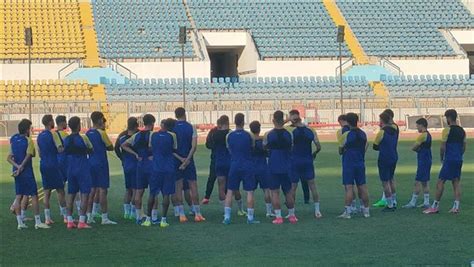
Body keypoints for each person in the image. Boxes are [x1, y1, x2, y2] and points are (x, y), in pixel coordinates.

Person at [7, 119, 50, 230]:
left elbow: (9, 157)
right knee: (34, 195)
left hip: (16, 171)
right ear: (27, 130)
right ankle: (38, 221)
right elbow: (29, 155)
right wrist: (21, 166)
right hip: (27, 171)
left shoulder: (13, 139)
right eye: (30, 128)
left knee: (18, 196)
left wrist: (17, 166)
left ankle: (20, 223)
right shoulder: (28, 140)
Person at [424, 109, 466, 214]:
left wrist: (442, 158)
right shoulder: (462, 131)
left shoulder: (447, 130)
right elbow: (464, 146)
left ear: (448, 118)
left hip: (449, 159)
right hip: (458, 159)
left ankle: (435, 206)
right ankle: (456, 207)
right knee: (456, 182)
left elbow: (443, 147)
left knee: (440, 181)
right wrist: (459, 155)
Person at [223, 113, 260, 225]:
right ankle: (250, 218)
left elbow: (229, 149)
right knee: (249, 192)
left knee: (230, 191)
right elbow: (252, 148)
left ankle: (227, 217)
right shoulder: (249, 135)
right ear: (244, 122)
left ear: (234, 122)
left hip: (234, 165)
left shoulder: (229, 136)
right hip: (247, 165)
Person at [286, 110, 322, 219]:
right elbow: (318, 146)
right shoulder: (311, 130)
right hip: (307, 160)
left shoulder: (290, 131)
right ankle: (317, 211)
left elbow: (289, 145)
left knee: (293, 187)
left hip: (295, 160)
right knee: (312, 186)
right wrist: (314, 153)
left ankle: (292, 213)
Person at [143, 119, 179, 228]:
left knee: (152, 194)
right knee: (166, 194)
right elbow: (174, 148)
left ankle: (148, 219)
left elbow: (150, 148)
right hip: (168, 167)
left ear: (162, 125)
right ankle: (163, 220)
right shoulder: (172, 135)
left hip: (156, 167)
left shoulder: (153, 135)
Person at [171, 107, 205, 222]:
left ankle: (181, 214)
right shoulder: (191, 127)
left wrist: (181, 160)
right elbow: (194, 146)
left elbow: (171, 148)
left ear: (175, 115)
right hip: (189, 161)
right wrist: (187, 160)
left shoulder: (172, 129)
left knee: (178, 187)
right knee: (193, 186)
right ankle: (197, 214)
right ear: (184, 114)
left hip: (176, 161)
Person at [121, 114, 155, 224]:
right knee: (153, 191)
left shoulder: (137, 135)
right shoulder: (152, 135)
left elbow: (124, 145)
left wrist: (135, 153)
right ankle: (153, 216)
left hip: (140, 165)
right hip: (150, 165)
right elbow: (154, 148)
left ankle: (138, 217)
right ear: (152, 123)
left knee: (138, 192)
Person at [264, 110, 294, 224]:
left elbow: (265, 148)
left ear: (273, 120)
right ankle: (292, 215)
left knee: (275, 192)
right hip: (286, 165)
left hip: (273, 165)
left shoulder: (269, 134)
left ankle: (278, 217)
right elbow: (291, 147)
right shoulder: (289, 134)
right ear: (283, 120)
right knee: (288, 191)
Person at [85, 111, 116, 224]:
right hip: (101, 163)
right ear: (99, 120)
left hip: (90, 163)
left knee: (92, 190)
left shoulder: (88, 133)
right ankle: (104, 217)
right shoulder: (101, 133)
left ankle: (89, 216)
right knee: (103, 190)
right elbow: (110, 147)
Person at [338, 113, 370, 219]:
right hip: (360, 162)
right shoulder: (363, 134)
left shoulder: (346, 134)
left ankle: (348, 212)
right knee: (362, 187)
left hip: (349, 163)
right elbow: (366, 145)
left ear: (347, 122)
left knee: (349, 188)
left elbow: (340, 150)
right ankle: (366, 211)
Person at [63, 116, 94, 229]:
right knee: (84, 194)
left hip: (71, 168)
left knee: (71, 194)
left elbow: (64, 151)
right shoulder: (83, 138)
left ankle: (70, 221)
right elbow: (91, 150)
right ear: (78, 126)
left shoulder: (66, 139)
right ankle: (81, 221)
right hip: (82, 168)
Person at [37, 115, 67, 224]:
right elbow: (60, 149)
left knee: (46, 191)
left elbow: (39, 153)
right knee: (60, 190)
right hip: (54, 164)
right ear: (50, 122)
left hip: (43, 164)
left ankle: (47, 218)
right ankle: (64, 216)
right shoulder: (53, 134)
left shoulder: (39, 136)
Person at [403, 118, 432, 209]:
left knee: (417, 181)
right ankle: (426, 202)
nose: (416, 127)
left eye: (417, 125)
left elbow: (414, 147)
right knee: (424, 182)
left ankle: (413, 202)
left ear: (421, 125)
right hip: (427, 159)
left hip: (423, 160)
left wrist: (418, 150)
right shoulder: (429, 135)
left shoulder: (422, 136)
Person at [373, 109, 399, 207]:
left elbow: (375, 146)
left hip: (384, 157)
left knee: (385, 181)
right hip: (394, 156)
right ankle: (394, 200)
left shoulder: (382, 132)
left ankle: (389, 205)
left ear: (382, 121)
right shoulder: (395, 129)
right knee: (391, 179)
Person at [115, 117, 139, 220]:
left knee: (128, 189)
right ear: (136, 125)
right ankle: (133, 212)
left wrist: (122, 158)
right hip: (136, 164)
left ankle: (126, 212)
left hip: (126, 164)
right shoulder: (138, 135)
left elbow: (116, 148)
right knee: (135, 189)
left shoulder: (122, 135)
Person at [249, 120, 273, 217]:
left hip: (251, 168)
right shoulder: (263, 141)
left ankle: (251, 212)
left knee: (250, 191)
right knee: (266, 190)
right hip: (263, 167)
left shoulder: (249, 142)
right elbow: (268, 153)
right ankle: (268, 211)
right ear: (259, 129)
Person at [336, 114, 360, 213]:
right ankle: (363, 208)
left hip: (348, 160)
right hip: (359, 159)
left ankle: (350, 207)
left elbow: (341, 147)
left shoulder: (341, 132)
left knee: (348, 186)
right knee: (361, 185)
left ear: (341, 121)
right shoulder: (360, 131)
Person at [202, 125, 218, 205]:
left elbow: (208, 144)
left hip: (214, 158)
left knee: (211, 178)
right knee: (226, 179)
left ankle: (207, 197)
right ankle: (226, 195)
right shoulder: (228, 132)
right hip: (225, 159)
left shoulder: (212, 131)